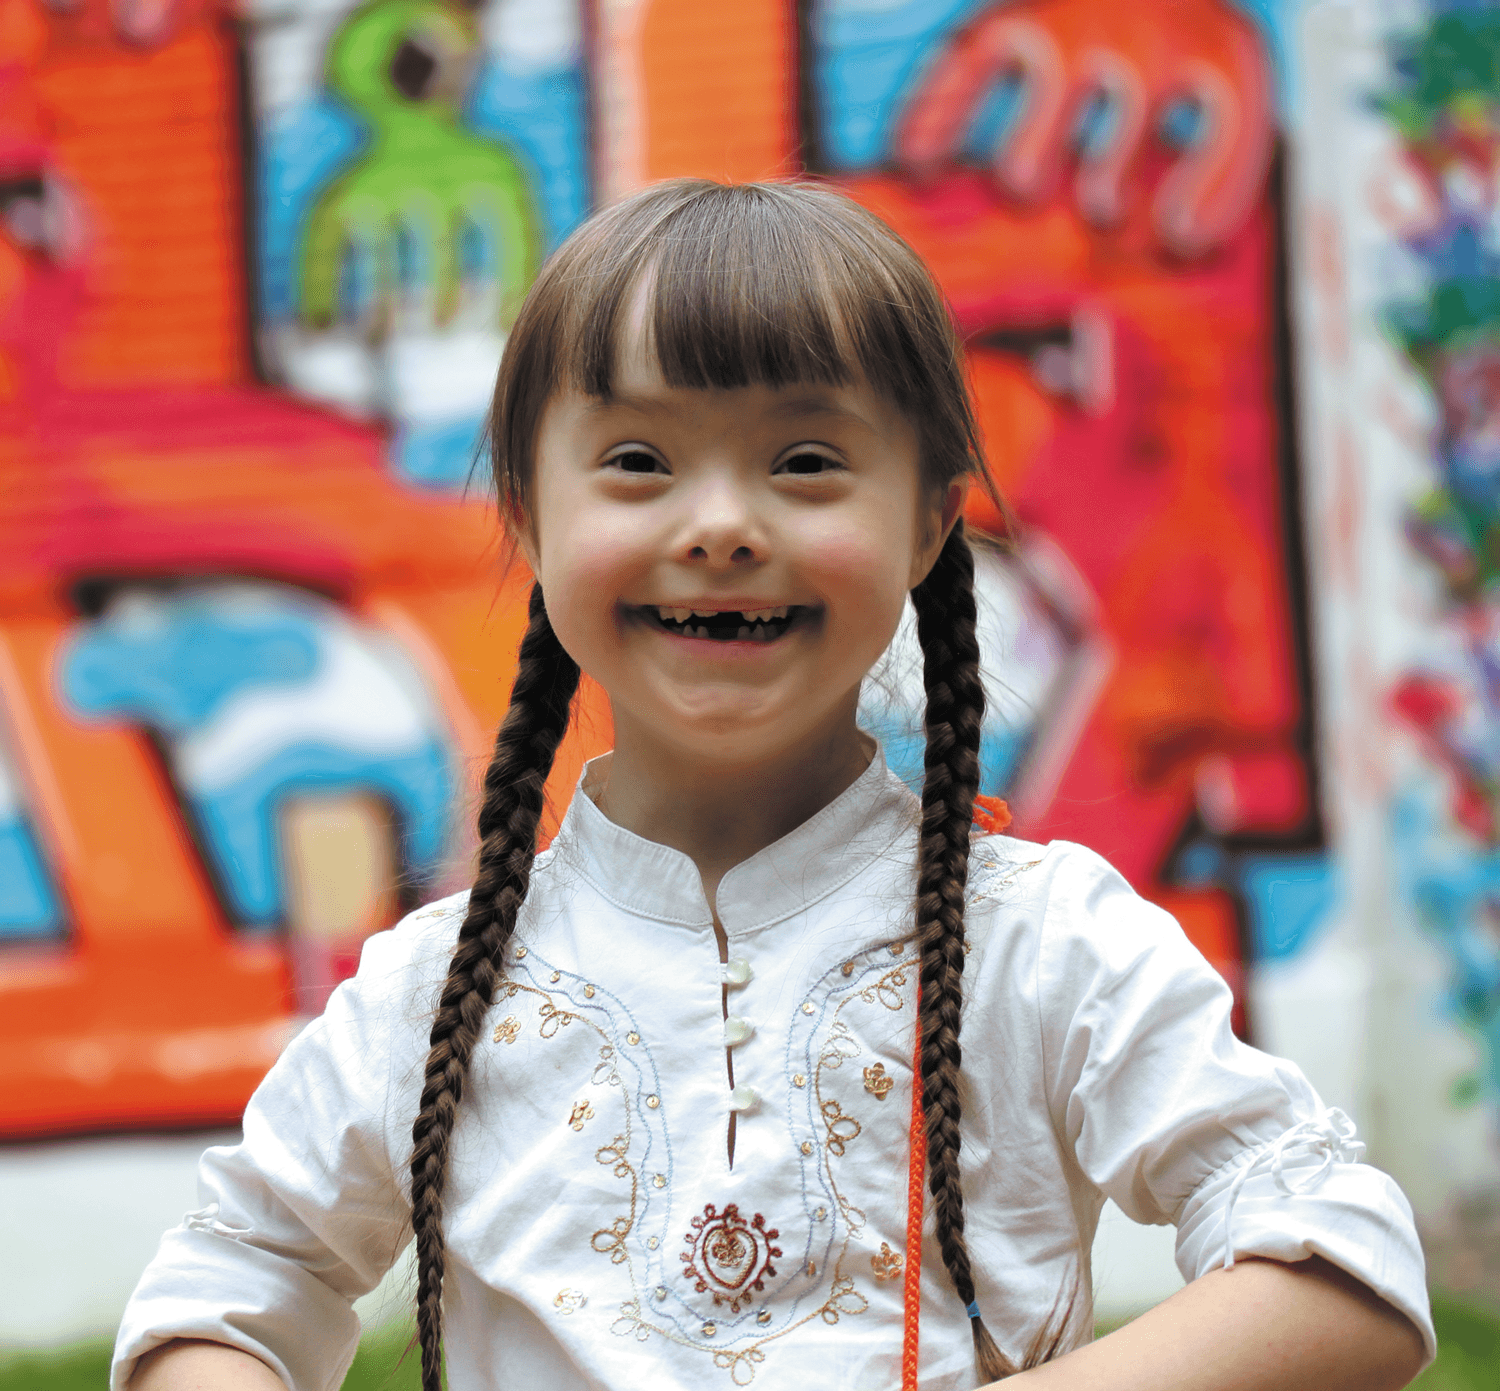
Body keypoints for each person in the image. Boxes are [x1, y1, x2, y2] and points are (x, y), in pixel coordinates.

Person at [115, 180, 1433, 1391]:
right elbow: (222, 1293)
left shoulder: (1047, 943)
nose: (721, 523)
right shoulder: (434, 988)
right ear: (529, 508)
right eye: (638, 460)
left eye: (805, 461)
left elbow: (1345, 1267)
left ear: (930, 517)